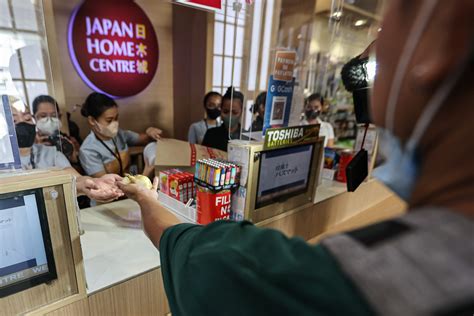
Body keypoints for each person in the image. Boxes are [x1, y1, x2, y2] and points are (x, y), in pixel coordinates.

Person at [119, 1, 474, 315]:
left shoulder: (261, 278)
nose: (371, 51)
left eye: (387, 24)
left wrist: (145, 197)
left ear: (442, 39)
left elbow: (192, 250)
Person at [10, 96, 123, 203]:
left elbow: (76, 179)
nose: (22, 123)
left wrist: (94, 183)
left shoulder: (52, 152)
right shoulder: (5, 161)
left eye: (27, 118)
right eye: (14, 120)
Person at [79, 92, 163, 177]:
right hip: (112, 188)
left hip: (128, 181)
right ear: (92, 120)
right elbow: (105, 184)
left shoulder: (119, 134)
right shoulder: (88, 151)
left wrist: (150, 132)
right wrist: (145, 175)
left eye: (116, 118)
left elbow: (144, 139)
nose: (115, 123)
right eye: (109, 120)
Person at [32, 95, 81, 170]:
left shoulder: (69, 141)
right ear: (34, 118)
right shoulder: (30, 143)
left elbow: (80, 175)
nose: (49, 120)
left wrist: (74, 159)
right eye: (43, 116)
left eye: (54, 115)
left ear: (59, 117)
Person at [202, 87, 245, 152]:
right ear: (221, 111)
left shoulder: (247, 137)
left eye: (234, 112)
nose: (230, 116)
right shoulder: (211, 135)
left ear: (241, 112)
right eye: (225, 112)